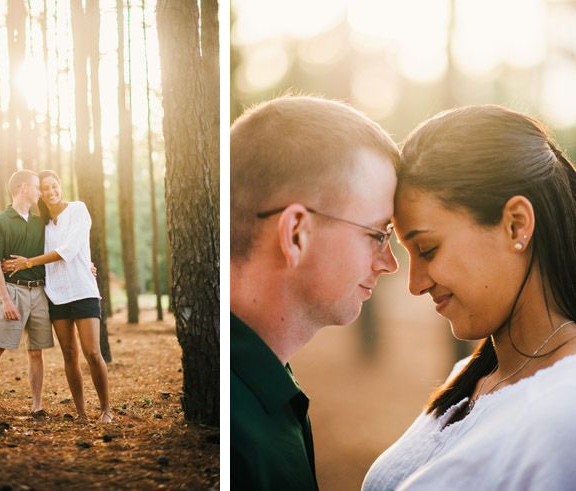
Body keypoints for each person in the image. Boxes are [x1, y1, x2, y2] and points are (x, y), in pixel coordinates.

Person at [363, 105, 576, 490]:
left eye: (426, 249)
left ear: (516, 225)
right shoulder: (471, 378)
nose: (415, 284)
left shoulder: (564, 409)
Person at [230, 95, 400, 490]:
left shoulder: (268, 386)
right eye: (377, 235)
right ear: (295, 234)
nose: (389, 262)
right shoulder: (235, 433)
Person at [5, 169, 113, 424]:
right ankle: (81, 412)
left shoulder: (78, 209)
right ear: (38, 193)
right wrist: (8, 263)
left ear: (60, 186)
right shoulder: (42, 224)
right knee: (69, 354)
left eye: (55, 186)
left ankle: (106, 409)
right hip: (56, 296)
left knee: (92, 352)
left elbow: (70, 249)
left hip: (83, 292)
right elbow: (28, 249)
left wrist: (28, 263)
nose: (51, 192)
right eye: (45, 188)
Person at [0, 169, 53, 421]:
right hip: (12, 291)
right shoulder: (0, 222)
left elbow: (58, 252)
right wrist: (5, 299)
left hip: (39, 292)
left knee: (36, 352)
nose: (41, 192)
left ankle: (37, 407)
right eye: (37, 187)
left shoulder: (42, 223)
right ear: (23, 188)